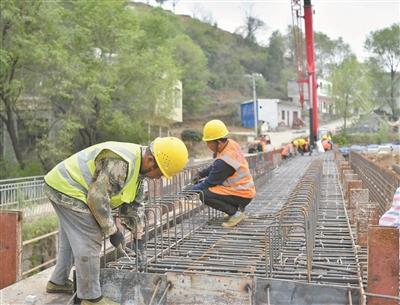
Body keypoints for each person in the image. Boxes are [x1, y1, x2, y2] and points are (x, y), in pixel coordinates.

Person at [44, 137, 188, 305]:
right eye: (161, 173)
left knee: (71, 239)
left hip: (67, 186)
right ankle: (90, 298)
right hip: (68, 188)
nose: (159, 178)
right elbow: (97, 199)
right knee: (89, 238)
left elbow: (135, 205)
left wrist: (138, 237)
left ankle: (58, 282)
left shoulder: (139, 170)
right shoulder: (121, 163)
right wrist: (113, 232)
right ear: (150, 161)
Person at [191, 119, 256, 227]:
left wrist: (192, 190)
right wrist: (201, 173)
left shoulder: (224, 162)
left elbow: (210, 182)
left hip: (241, 194)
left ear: (219, 142)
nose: (207, 145)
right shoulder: (230, 144)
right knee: (203, 188)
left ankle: (235, 213)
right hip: (245, 191)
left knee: (204, 194)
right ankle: (235, 211)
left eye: (208, 142)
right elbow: (215, 166)